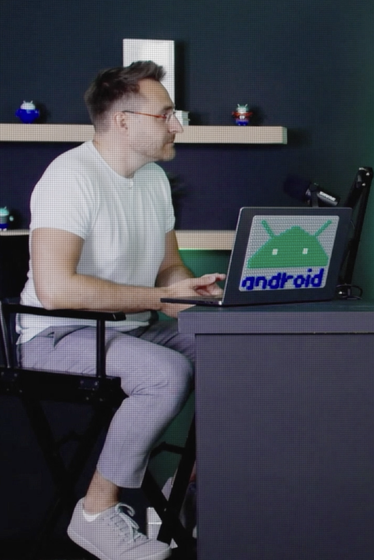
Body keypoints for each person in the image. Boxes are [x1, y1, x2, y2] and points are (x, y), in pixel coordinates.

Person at [17, 61, 224, 560]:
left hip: (128, 329)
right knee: (165, 373)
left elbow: (168, 268)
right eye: (165, 114)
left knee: (239, 351)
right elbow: (55, 289)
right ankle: (95, 512)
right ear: (123, 121)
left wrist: (189, 294)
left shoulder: (153, 180)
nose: (177, 126)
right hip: (55, 334)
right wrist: (160, 300)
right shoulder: (69, 177)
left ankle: (183, 493)